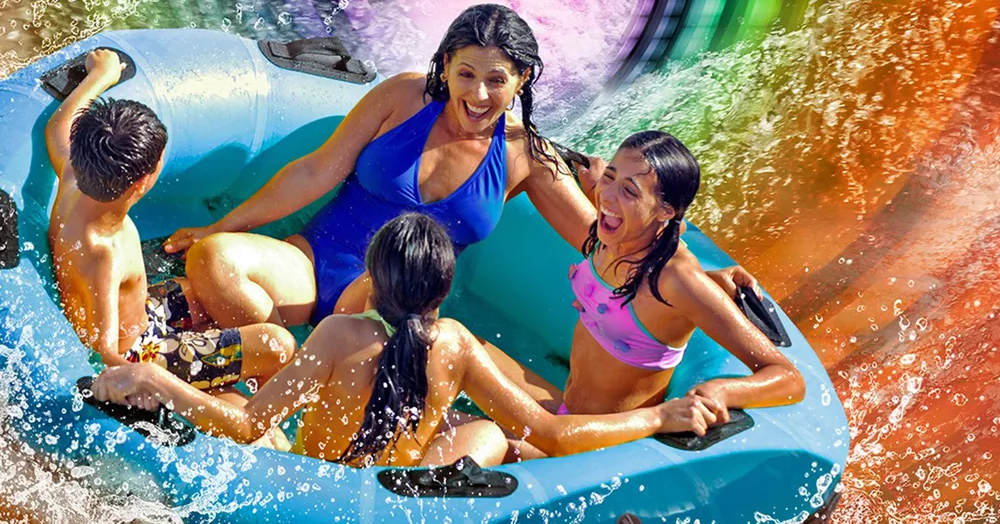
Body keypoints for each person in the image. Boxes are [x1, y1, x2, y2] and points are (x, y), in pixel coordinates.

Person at [92, 214, 722, 468]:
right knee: (491, 435)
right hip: (397, 484)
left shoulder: (339, 334)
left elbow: (255, 425)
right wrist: (659, 415)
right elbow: (549, 432)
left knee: (235, 396)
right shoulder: (454, 342)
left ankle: (165, 365)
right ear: (440, 294)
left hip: (320, 479)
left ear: (372, 280)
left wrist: (159, 382)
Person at [160, 3, 605, 329]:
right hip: (313, 264)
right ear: (447, 64)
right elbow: (315, 171)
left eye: (496, 80)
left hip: (391, 315)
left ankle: (278, 370)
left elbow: (602, 243)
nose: (478, 96)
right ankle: (277, 368)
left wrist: (609, 195)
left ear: (522, 79)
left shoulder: (525, 155)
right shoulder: (403, 98)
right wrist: (221, 226)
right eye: (466, 73)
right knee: (214, 259)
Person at [482, 131, 806, 460]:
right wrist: (599, 183)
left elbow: (788, 378)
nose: (608, 197)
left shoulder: (677, 281)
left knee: (471, 436)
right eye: (611, 176)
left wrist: (721, 390)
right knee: (444, 344)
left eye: (629, 191)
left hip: (601, 446)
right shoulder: (608, 237)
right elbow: (538, 163)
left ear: (666, 210)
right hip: (564, 416)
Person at [45, 48, 296, 393]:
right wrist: (151, 382)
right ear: (141, 183)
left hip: (145, 312)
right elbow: (103, 351)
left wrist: (100, 77)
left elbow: (59, 124)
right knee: (276, 343)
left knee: (214, 289)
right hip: (140, 352)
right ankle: (240, 396)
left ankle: (229, 371)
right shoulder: (104, 255)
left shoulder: (74, 180)